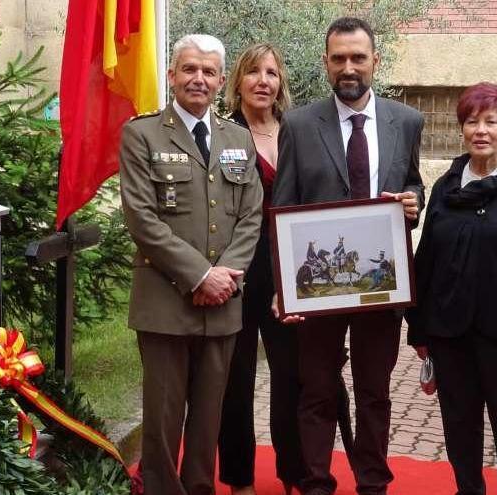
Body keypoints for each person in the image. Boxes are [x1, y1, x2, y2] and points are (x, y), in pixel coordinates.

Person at [272, 16, 425, 495]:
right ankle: (317, 481)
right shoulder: (297, 124)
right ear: (325, 63)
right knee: (316, 391)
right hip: (318, 292)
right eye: (338, 58)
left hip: (381, 286)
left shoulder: (407, 120)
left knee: (374, 393)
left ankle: (373, 482)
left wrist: (412, 202)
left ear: (375, 61)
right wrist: (284, 288)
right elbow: (283, 204)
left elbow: (412, 182)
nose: (348, 67)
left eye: (358, 57)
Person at [118, 34, 263, 495]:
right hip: (165, 303)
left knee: (208, 417)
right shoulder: (141, 134)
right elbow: (141, 218)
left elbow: (250, 215)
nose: (198, 79)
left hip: (222, 304)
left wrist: (225, 279)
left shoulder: (238, 137)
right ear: (172, 74)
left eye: (208, 71)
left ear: (222, 81)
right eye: (188, 69)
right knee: (162, 419)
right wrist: (200, 275)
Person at [405, 82, 497, 495]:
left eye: (491, 121)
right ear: (461, 129)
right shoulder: (448, 186)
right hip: (450, 333)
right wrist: (419, 328)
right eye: (471, 122)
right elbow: (427, 256)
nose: (481, 130)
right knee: (459, 424)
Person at [217, 43, 305, 495]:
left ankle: (293, 473)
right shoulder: (220, 134)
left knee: (291, 376)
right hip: (234, 271)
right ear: (238, 82)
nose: (263, 81)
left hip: (286, 270)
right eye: (253, 72)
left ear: (280, 83)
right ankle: (239, 479)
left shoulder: (297, 132)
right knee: (236, 378)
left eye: (271, 73)